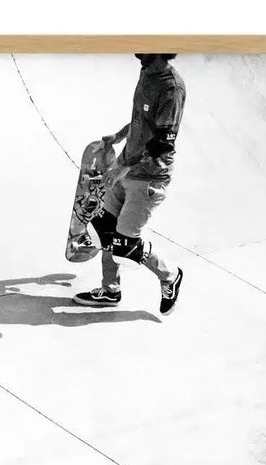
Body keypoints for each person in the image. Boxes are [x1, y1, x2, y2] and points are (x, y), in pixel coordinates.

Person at [73, 53, 185, 316]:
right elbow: (141, 121)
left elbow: (162, 143)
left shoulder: (172, 88)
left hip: (149, 177)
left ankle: (170, 276)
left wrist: (124, 168)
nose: (137, 52)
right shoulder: (147, 72)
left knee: (125, 245)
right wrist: (119, 135)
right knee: (105, 227)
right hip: (126, 168)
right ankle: (110, 290)